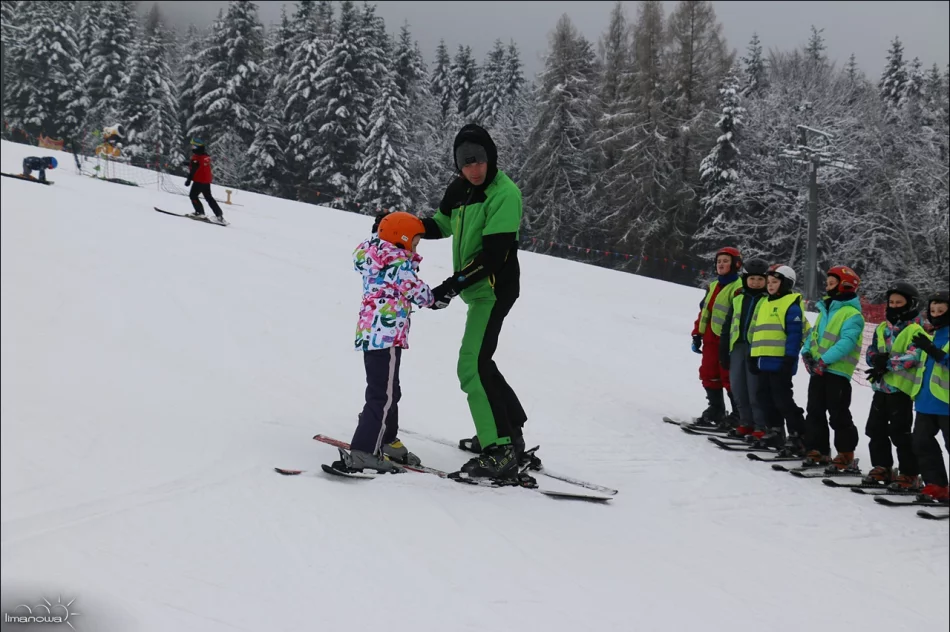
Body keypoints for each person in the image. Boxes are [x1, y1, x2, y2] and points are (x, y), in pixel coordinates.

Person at [417, 123, 530, 481]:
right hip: (477, 289)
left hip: (493, 289)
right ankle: (510, 432)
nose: (474, 169)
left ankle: (499, 451)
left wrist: (450, 287)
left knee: (471, 365)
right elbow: (441, 223)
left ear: (490, 157)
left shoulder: (504, 194)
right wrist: (404, 226)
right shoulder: (461, 189)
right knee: (481, 360)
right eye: (466, 163)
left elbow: (493, 257)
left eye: (479, 160)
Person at [331, 212, 435, 474]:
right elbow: (418, 292)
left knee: (389, 390)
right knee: (382, 395)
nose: (415, 247)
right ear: (401, 239)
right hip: (386, 335)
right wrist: (437, 297)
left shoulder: (376, 253)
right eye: (415, 241)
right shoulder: (396, 262)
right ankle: (364, 450)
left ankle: (386, 440)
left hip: (373, 332)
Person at [800, 266, 865, 471]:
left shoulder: (852, 314)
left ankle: (846, 453)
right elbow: (814, 336)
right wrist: (806, 352)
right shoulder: (825, 310)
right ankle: (818, 449)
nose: (827, 286)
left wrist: (824, 360)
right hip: (819, 370)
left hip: (837, 371)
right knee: (814, 410)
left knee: (838, 413)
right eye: (827, 282)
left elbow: (846, 342)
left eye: (832, 283)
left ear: (845, 286)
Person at [862, 282, 926, 488]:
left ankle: (909, 473)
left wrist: (888, 363)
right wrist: (875, 360)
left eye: (900, 303)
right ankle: (882, 466)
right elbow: (871, 350)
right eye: (892, 302)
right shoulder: (883, 327)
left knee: (900, 432)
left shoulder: (916, 329)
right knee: (875, 428)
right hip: (881, 388)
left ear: (910, 305)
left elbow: (914, 356)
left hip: (901, 390)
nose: (895, 306)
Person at [749, 265, 809, 455]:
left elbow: (793, 334)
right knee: (763, 396)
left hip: (781, 361)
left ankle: (798, 433)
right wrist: (753, 356)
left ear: (786, 284)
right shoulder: (764, 302)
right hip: (763, 360)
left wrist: (789, 359)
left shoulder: (791, 303)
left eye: (775, 282)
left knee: (782, 399)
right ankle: (775, 430)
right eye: (769, 282)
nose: (770, 286)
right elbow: (757, 332)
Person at [692, 247, 744, 428]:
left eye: (725, 261)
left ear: (736, 264)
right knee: (708, 373)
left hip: (727, 339)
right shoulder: (713, 286)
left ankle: (738, 414)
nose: (721, 264)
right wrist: (697, 333)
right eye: (719, 261)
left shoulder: (739, 287)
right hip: (709, 338)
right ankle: (716, 409)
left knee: (728, 377)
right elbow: (704, 312)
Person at [719, 258, 769, 439]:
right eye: (752, 279)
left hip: (756, 348)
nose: (755, 283)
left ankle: (760, 425)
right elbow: (728, 323)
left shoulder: (768, 300)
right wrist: (723, 348)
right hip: (737, 347)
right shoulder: (738, 298)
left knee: (754, 389)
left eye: (760, 279)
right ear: (746, 278)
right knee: (738, 387)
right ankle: (745, 422)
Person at [910, 290, 949, 501]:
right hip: (926, 401)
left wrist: (934, 351)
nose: (936, 314)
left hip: (946, 403)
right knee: (921, 443)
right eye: (933, 310)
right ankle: (936, 484)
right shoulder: (931, 334)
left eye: (941, 310)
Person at [184, 138, 227, 225]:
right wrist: (189, 163)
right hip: (206, 180)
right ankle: (219, 215)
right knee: (209, 198)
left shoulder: (196, 157)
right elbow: (200, 165)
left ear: (197, 147)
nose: (192, 147)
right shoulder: (205, 156)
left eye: (193, 146)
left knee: (193, 196)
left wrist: (188, 180)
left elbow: (194, 170)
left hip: (199, 180)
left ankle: (200, 213)